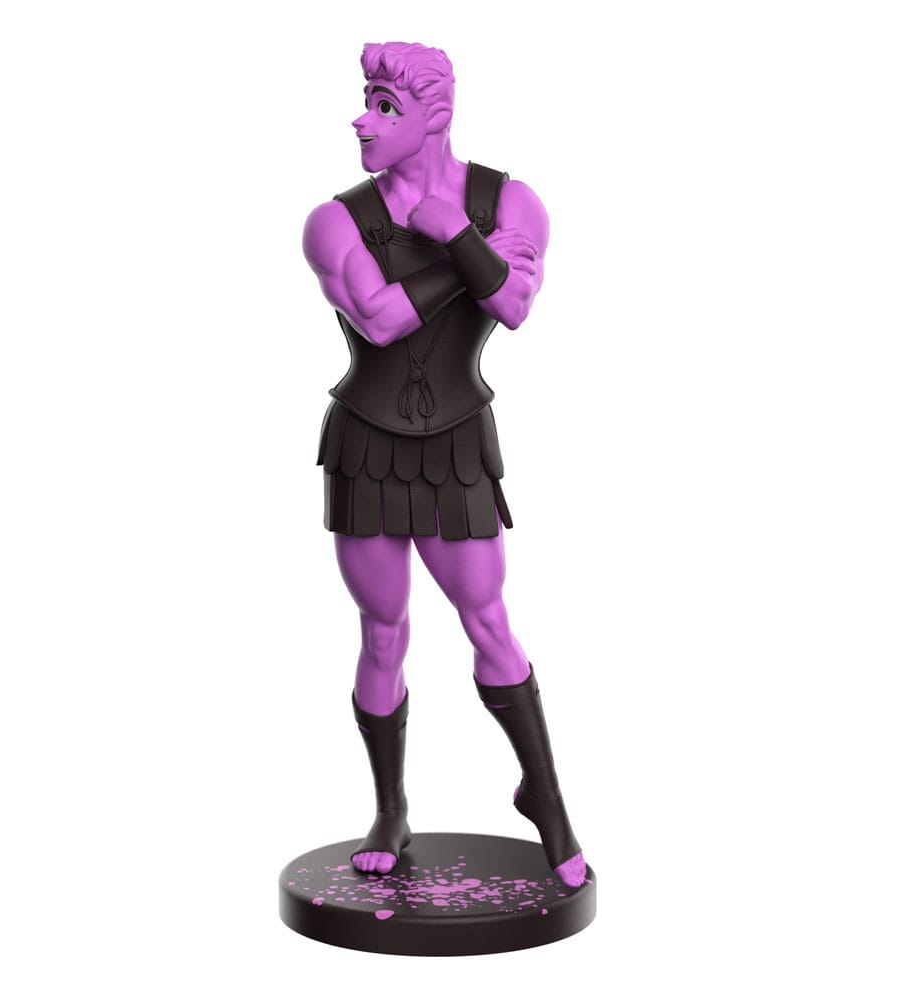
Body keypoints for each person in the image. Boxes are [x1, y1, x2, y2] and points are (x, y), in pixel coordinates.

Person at [302, 42, 586, 888]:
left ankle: (546, 799)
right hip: (368, 443)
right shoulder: (333, 222)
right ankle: (391, 807)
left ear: (436, 115)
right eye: (366, 100)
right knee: (382, 631)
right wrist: (468, 256)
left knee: (490, 620)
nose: (362, 120)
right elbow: (381, 320)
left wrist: (458, 230)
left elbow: (516, 305)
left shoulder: (511, 201)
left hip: (457, 442)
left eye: (385, 106)